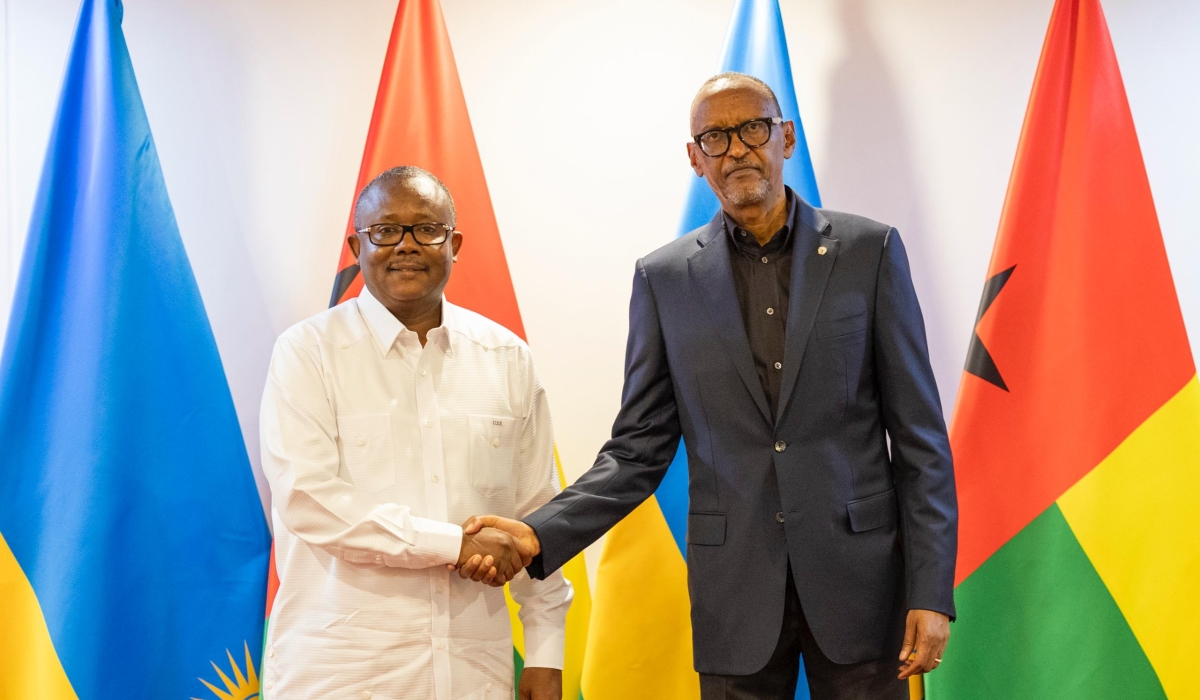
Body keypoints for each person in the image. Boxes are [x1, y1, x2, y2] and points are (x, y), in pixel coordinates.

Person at [461, 73, 957, 700]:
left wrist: (931, 590)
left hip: (861, 585)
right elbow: (638, 448)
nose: (737, 150)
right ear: (695, 159)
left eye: (752, 129)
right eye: (715, 138)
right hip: (735, 596)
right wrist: (540, 531)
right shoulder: (664, 280)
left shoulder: (870, 251)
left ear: (786, 137)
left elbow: (919, 440)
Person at [259, 165, 571, 700]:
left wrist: (545, 653)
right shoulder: (306, 352)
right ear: (357, 245)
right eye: (385, 231)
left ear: (455, 243)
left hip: (475, 675)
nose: (406, 245)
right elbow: (308, 500)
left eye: (427, 229)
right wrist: (454, 544)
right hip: (340, 675)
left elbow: (536, 517)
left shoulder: (506, 357)